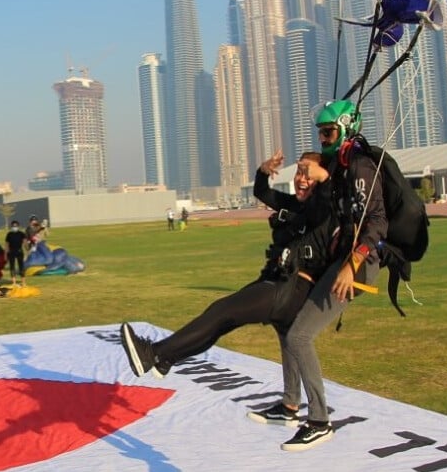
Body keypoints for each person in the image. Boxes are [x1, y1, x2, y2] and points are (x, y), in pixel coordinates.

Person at [119, 151, 338, 400]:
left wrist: (325, 178)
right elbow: (262, 192)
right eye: (299, 172)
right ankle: (167, 357)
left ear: (320, 177)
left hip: (292, 289)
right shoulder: (295, 204)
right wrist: (263, 171)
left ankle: (153, 354)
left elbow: (328, 200)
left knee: (221, 311)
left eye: (307, 173)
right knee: (223, 320)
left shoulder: (324, 206)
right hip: (278, 281)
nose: (301, 178)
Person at [270, 99, 388, 452]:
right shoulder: (340, 167)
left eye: (328, 132)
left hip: (357, 265)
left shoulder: (361, 168)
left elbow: (377, 222)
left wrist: (352, 266)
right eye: (320, 132)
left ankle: (319, 421)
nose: (322, 138)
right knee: (287, 323)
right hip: (337, 262)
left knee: (300, 336)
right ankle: (290, 404)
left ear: (346, 130)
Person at [5, 220, 28, 286]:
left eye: (16, 226)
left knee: (21, 267)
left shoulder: (21, 234)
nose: (14, 227)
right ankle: (14, 282)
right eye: (13, 226)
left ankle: (23, 282)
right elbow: (6, 245)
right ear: (11, 226)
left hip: (19, 251)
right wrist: (5, 254)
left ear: (18, 226)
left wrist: (27, 251)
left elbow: (25, 243)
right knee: (12, 267)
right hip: (11, 252)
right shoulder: (9, 234)